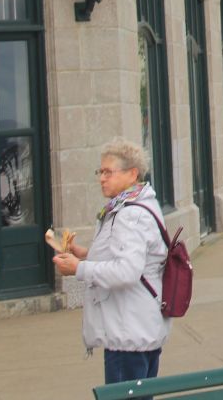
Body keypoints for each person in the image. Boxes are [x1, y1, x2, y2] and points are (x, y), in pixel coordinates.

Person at [52, 139, 170, 389]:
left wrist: (78, 268)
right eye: (100, 171)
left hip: (128, 334)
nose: (101, 178)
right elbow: (129, 257)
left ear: (132, 174)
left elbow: (127, 271)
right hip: (138, 328)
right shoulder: (138, 203)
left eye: (108, 172)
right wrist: (84, 254)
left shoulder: (130, 214)